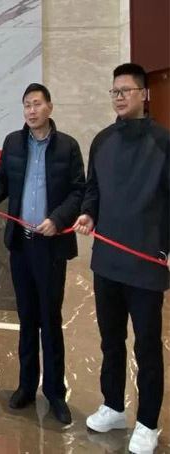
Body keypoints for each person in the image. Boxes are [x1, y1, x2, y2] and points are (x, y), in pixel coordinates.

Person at [0, 83, 85, 424]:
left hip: (51, 247)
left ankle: (55, 393)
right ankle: (25, 386)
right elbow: (2, 182)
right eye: (26, 105)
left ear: (50, 106)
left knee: (50, 319)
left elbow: (79, 191)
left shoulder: (68, 146)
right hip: (21, 245)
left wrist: (58, 219)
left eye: (37, 104)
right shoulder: (13, 142)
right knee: (26, 319)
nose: (31, 111)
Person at [74, 63, 168, 453]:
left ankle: (148, 423)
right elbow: (93, 189)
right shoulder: (101, 141)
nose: (118, 97)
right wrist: (88, 213)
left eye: (125, 91)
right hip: (107, 263)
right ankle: (113, 405)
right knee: (111, 341)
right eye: (114, 91)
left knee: (147, 346)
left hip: (146, 265)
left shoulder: (163, 143)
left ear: (144, 94)